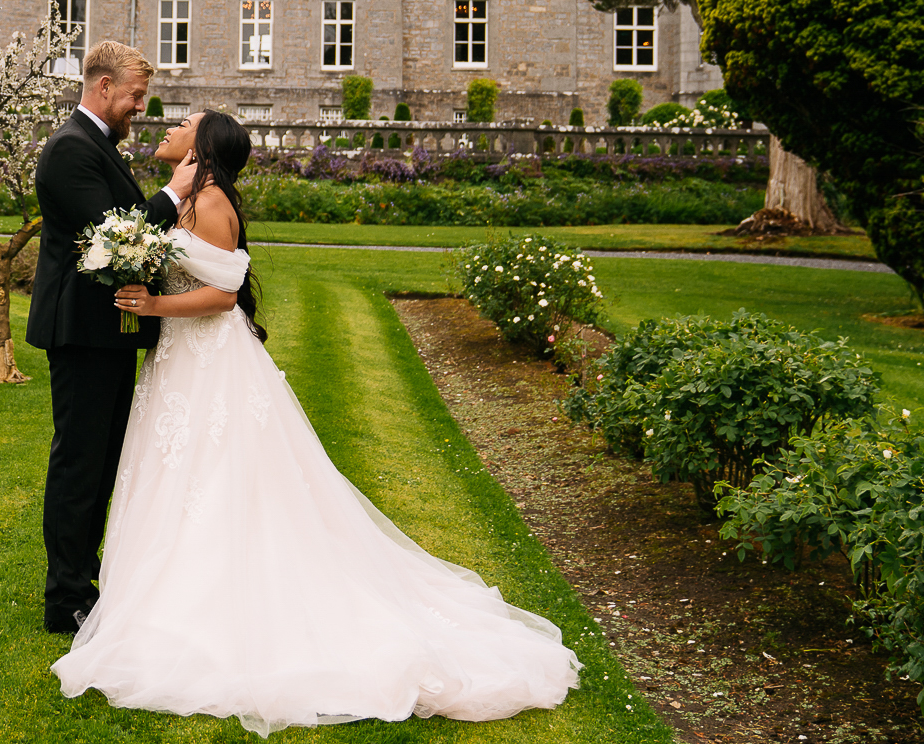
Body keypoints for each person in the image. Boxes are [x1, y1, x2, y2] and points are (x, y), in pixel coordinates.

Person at [52, 110, 582, 735]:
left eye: (186, 123)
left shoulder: (210, 203)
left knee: (217, 474)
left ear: (204, 146)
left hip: (209, 362)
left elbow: (223, 293)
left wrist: (155, 302)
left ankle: (209, 603)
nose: (169, 125)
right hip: (178, 361)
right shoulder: (186, 201)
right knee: (178, 475)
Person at [26, 41, 195, 635]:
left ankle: (85, 582)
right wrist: (175, 194)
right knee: (79, 465)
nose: (139, 108)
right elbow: (115, 238)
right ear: (102, 88)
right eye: (134, 96)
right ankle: (65, 597)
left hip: (109, 332)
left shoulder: (97, 146)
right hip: (83, 333)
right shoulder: (71, 150)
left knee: (100, 466)